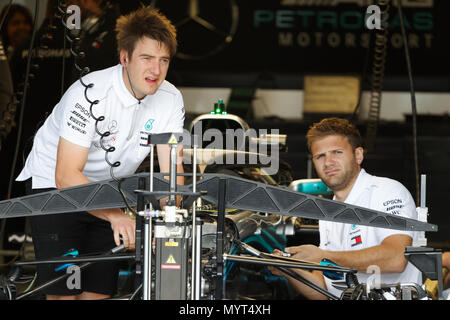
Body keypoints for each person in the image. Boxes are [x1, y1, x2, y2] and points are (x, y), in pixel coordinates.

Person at [15, 6, 185, 300]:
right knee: (65, 293)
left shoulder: (170, 98)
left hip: (108, 193)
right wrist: (115, 216)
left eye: (163, 60)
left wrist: (167, 219)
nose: (155, 71)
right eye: (146, 58)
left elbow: (173, 172)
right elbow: (66, 176)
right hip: (56, 189)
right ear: (124, 57)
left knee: (97, 293)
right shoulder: (90, 92)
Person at [269, 117, 421, 299]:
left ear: (358, 155)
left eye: (337, 152)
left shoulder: (387, 191)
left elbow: (397, 258)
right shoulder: (327, 213)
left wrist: (323, 256)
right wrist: (288, 269)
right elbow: (324, 291)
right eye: (320, 156)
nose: (328, 162)